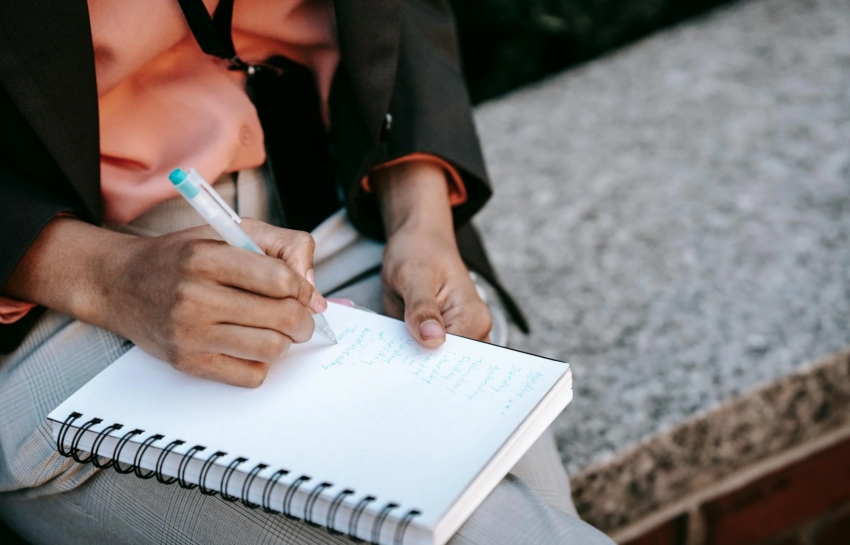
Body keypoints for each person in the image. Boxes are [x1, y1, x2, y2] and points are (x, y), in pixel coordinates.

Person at [0, 1, 614, 543]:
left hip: (336, 209)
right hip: (60, 279)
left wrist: (418, 219)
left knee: (524, 499)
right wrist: (104, 276)